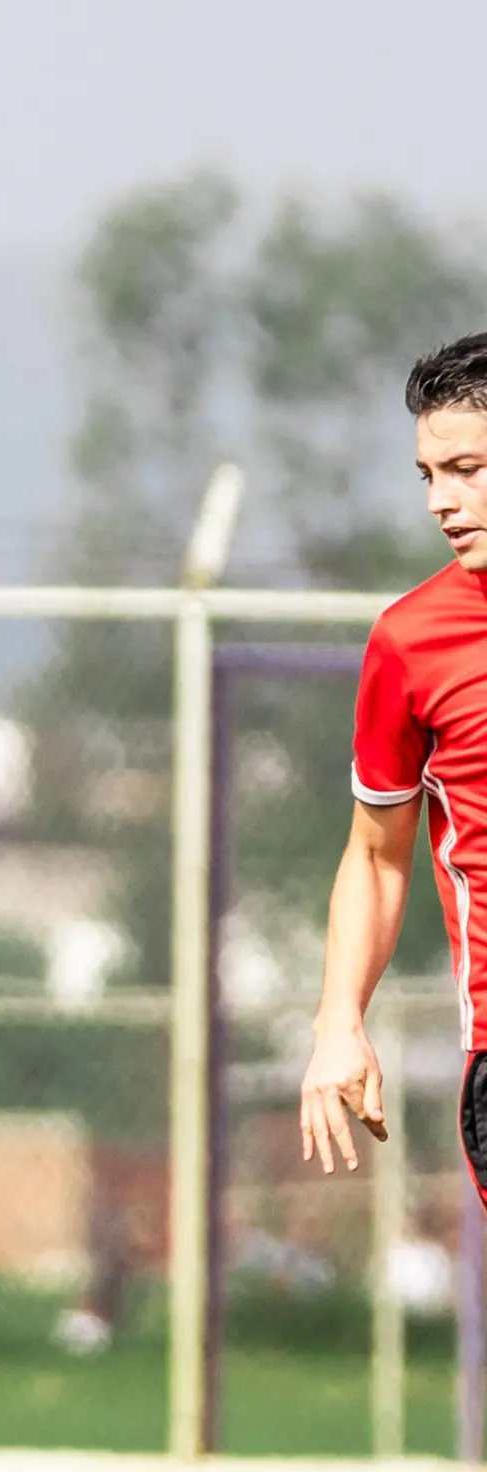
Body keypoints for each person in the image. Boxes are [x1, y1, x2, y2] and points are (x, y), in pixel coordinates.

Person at [303, 332, 487, 1192]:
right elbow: (377, 857)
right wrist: (338, 1022)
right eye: (428, 476)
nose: (440, 503)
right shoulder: (410, 642)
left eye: (468, 469)